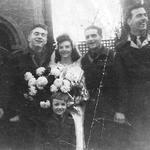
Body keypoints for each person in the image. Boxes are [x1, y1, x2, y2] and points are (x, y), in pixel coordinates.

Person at [7, 24, 52, 150]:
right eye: (36, 34)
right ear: (28, 37)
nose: (40, 37)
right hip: (23, 114)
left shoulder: (50, 59)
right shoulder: (16, 57)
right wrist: (13, 112)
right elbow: (7, 85)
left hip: (44, 114)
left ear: (46, 40)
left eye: (43, 35)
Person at [114, 4, 150, 150]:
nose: (144, 18)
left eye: (145, 15)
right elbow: (121, 82)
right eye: (139, 15)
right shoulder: (121, 48)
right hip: (136, 108)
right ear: (129, 21)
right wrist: (121, 109)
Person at [49, 33, 88, 150]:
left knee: (77, 138)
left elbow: (84, 92)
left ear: (72, 48)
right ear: (58, 49)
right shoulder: (53, 68)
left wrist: (78, 99)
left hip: (75, 109)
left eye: (67, 47)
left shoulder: (79, 68)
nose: (64, 50)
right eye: (61, 47)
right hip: (58, 110)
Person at [81, 25, 117, 150]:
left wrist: (120, 110)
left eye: (94, 35)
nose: (90, 39)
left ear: (101, 37)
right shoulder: (84, 60)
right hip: (91, 108)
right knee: (92, 141)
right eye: (87, 37)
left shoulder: (112, 55)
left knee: (109, 142)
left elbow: (121, 84)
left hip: (109, 106)